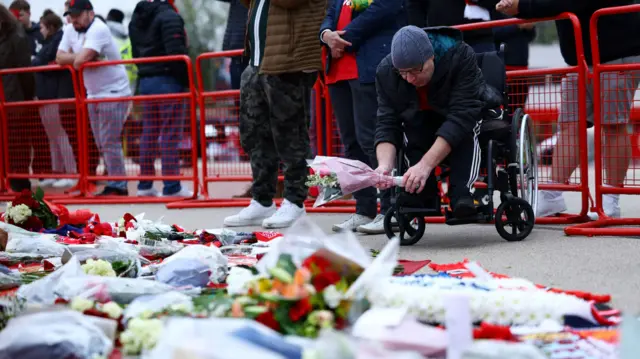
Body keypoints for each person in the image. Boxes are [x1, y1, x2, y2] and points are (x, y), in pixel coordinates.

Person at [496, 0, 640, 219]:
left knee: (613, 125)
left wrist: (523, 6)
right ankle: (553, 195)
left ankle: (610, 201)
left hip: (615, 52)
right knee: (569, 125)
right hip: (581, 56)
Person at [374, 25, 502, 219]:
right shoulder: (386, 72)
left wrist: (425, 166)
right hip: (421, 118)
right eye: (403, 72)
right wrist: (384, 166)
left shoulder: (460, 55)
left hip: (458, 115)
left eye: (416, 70)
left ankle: (462, 193)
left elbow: (461, 116)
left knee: (464, 133)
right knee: (412, 133)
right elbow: (386, 122)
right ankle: (420, 193)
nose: (409, 78)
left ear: (431, 57)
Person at [223, 0, 327, 229]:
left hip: (288, 61)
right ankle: (262, 199)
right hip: (258, 62)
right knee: (255, 135)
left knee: (291, 136)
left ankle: (295, 200)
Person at [319, 0, 405, 233]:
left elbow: (387, 7)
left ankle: (390, 209)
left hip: (367, 66)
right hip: (338, 72)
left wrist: (343, 39)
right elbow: (330, 13)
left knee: (374, 140)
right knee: (352, 144)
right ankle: (364, 209)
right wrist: (326, 35)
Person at [56, 0, 131, 196]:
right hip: (94, 93)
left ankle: (119, 184)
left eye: (78, 15)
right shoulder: (71, 28)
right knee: (100, 141)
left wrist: (78, 57)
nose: (73, 20)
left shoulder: (99, 28)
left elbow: (78, 61)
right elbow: (59, 57)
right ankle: (116, 181)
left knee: (109, 140)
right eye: (71, 15)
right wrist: (82, 57)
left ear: (90, 13)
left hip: (114, 92)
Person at [129, 0, 193, 198]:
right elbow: (176, 54)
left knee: (149, 133)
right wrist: (186, 81)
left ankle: (145, 184)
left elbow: (135, 51)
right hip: (168, 80)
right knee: (169, 134)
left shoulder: (137, 18)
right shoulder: (170, 16)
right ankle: (172, 186)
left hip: (146, 80)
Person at [33, 9, 78, 189]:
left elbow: (41, 61)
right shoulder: (49, 42)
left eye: (43, 27)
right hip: (46, 93)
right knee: (53, 137)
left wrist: (38, 61)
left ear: (50, 27)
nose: (40, 31)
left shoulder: (58, 38)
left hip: (53, 93)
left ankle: (70, 173)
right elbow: (41, 61)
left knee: (60, 135)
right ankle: (57, 171)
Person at [0, 3, 38, 192]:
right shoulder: (15, 34)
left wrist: (28, 97)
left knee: (17, 143)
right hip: (9, 96)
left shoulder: (17, 35)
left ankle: (20, 184)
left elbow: (25, 72)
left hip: (14, 98)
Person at [405, 0, 502, 53]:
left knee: (485, 86)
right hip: (442, 40)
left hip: (479, 40)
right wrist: (418, 36)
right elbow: (414, 6)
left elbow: (500, 3)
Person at [106, 9, 137, 95]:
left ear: (108, 18)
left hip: (111, 81)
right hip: (130, 80)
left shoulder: (105, 33)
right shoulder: (129, 35)